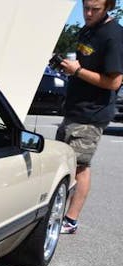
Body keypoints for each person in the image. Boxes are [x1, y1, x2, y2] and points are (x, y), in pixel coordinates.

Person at [56, 0, 123, 234]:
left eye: (95, 9)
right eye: (86, 7)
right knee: (62, 163)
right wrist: (68, 67)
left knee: (80, 166)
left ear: (108, 7)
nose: (88, 13)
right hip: (73, 108)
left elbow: (115, 81)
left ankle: (70, 220)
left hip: (92, 114)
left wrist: (78, 71)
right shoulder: (87, 29)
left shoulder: (113, 36)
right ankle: (56, 212)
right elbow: (82, 64)